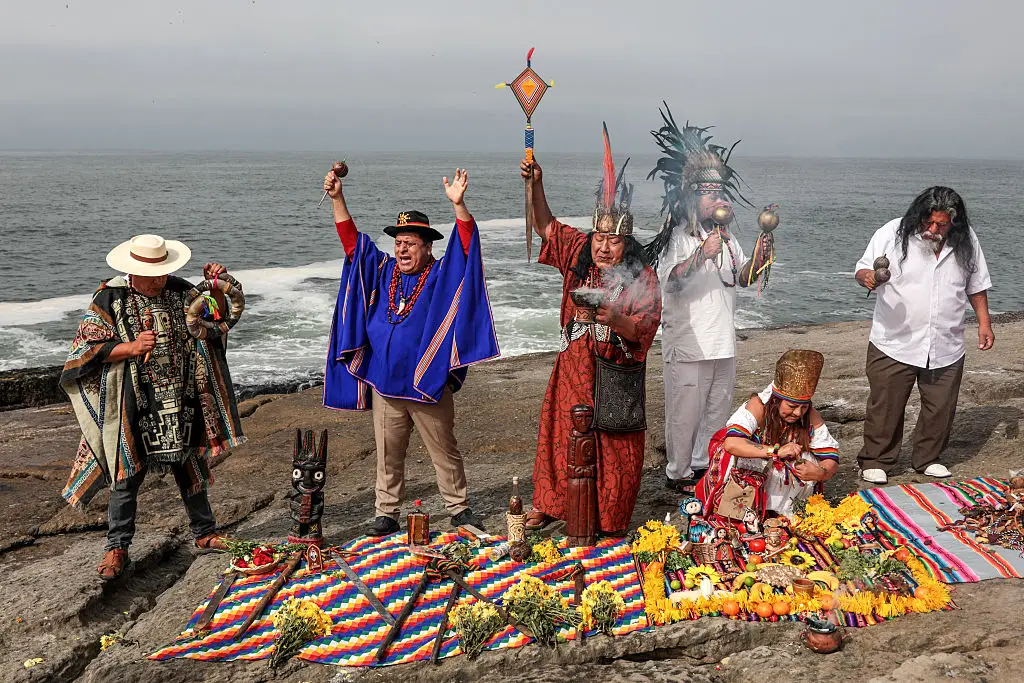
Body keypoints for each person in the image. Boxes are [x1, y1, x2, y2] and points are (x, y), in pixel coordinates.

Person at [323, 166, 499, 536]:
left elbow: (466, 249)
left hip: (426, 384)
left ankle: (459, 507)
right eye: (399, 242)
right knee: (387, 454)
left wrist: (459, 206)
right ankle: (386, 512)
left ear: (427, 247)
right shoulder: (383, 269)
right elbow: (353, 244)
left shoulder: (439, 274)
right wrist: (338, 197)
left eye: (410, 243)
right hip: (385, 384)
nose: (402, 249)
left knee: (443, 451)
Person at [60, 235, 246, 580]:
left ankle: (204, 533)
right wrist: (129, 347)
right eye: (153, 274)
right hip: (133, 400)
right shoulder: (110, 297)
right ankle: (117, 547)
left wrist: (217, 288)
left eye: (163, 271)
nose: (160, 279)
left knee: (190, 465)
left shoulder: (180, 290)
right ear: (133, 271)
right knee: (126, 472)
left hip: (182, 395)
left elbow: (214, 324)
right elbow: (82, 352)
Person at [522, 124, 662, 536]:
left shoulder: (643, 276)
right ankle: (552, 506)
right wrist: (537, 185)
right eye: (599, 237)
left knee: (614, 448)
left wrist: (617, 320)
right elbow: (545, 225)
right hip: (572, 372)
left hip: (614, 376)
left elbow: (647, 328)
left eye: (613, 241)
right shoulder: (578, 255)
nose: (603, 247)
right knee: (560, 437)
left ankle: (607, 517)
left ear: (626, 244)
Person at [645, 104, 772, 494]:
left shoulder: (728, 237)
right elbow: (671, 283)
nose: (717, 198)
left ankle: (703, 465)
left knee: (717, 407)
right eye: (709, 193)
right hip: (688, 340)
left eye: (720, 192)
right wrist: (701, 253)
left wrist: (761, 257)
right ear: (692, 199)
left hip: (722, 340)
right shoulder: (678, 234)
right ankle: (678, 471)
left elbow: (739, 279)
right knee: (684, 413)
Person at [854, 186, 993, 484]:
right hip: (894, 339)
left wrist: (984, 322)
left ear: (953, 222)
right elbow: (863, 268)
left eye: (941, 225)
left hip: (946, 340)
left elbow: (976, 283)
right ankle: (876, 459)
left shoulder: (966, 239)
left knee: (940, 405)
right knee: (886, 403)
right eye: (928, 223)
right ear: (918, 215)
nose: (933, 229)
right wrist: (867, 277)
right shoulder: (891, 232)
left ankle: (928, 458)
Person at [697, 350, 839, 524]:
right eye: (792, 406)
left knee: (809, 458)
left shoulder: (810, 415)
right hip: (755, 469)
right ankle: (745, 514)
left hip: (786, 476)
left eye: (803, 408)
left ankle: (785, 512)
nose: (798, 413)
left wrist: (820, 472)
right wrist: (775, 451)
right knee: (739, 458)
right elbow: (732, 443)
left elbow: (830, 457)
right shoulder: (758, 406)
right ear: (776, 400)